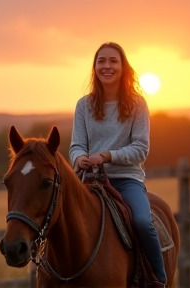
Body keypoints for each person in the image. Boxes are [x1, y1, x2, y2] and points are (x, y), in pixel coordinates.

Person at [69, 42, 166, 286]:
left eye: (113, 61)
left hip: (126, 180)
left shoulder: (137, 104)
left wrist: (107, 156)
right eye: (101, 61)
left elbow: (140, 149)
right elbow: (76, 145)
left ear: (123, 67)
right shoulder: (84, 105)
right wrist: (79, 158)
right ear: (95, 67)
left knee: (143, 222)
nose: (107, 66)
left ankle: (158, 280)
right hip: (89, 181)